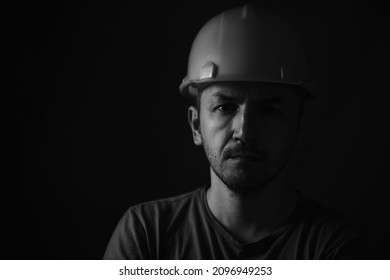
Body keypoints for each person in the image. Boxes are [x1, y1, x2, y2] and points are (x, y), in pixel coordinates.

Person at [103, 4, 368, 260]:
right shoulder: (147, 234)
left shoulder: (337, 248)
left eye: (269, 111)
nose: (244, 130)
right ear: (196, 126)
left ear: (299, 127)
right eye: (225, 107)